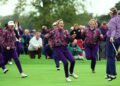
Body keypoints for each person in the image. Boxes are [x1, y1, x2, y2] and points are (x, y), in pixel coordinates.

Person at [106, 7, 120, 81]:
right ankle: (108, 73)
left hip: (112, 39)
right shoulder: (118, 17)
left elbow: (113, 30)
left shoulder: (112, 20)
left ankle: (113, 74)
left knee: (110, 56)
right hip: (118, 38)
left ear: (111, 13)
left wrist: (111, 37)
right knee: (111, 55)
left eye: (109, 13)